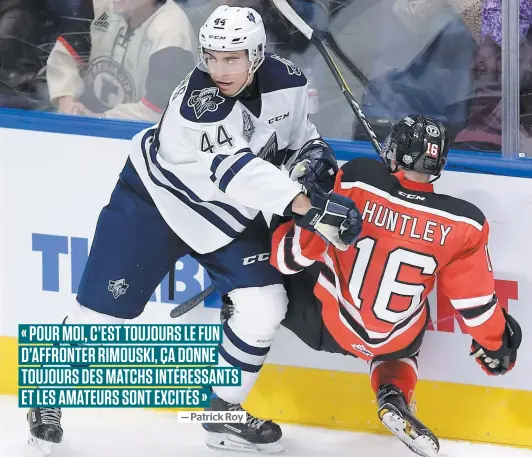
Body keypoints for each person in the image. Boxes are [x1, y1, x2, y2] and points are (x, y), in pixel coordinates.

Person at [26, 5, 361, 455]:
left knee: (265, 304)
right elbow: (238, 172)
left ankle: (222, 418)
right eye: (211, 56)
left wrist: (313, 157)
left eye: (231, 58)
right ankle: (46, 400)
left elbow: (301, 135)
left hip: (226, 217)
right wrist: (310, 207)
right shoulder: (198, 101)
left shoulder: (291, 83)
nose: (218, 69)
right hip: (154, 204)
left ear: (257, 54)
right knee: (101, 314)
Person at [270, 115, 522, 457]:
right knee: (410, 331)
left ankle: (241, 299)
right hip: (393, 341)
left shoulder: (357, 178)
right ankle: (393, 393)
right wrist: (497, 345)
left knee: (282, 256)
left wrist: (297, 206)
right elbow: (474, 304)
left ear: (394, 151)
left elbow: (289, 258)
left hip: (324, 326)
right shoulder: (465, 224)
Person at [46, 0, 196, 122]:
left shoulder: (173, 31)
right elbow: (66, 57)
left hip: (139, 143)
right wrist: (66, 99)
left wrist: (101, 119)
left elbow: (158, 110)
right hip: (87, 125)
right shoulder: (100, 5)